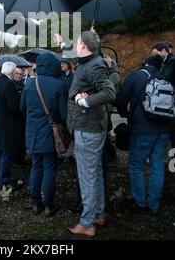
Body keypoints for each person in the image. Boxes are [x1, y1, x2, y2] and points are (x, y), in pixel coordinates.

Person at [67, 30, 116, 237]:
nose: (76, 45)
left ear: (84, 46)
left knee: (87, 177)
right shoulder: (90, 62)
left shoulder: (94, 64)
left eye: (78, 42)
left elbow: (109, 91)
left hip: (88, 129)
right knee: (94, 174)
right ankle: (97, 214)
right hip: (91, 126)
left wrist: (84, 101)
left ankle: (87, 223)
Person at [116, 55, 170, 214]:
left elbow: (120, 99)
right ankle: (154, 205)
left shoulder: (136, 76)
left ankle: (140, 203)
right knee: (157, 166)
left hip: (142, 130)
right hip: (164, 130)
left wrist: (125, 114)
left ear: (145, 63)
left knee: (137, 166)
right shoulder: (167, 79)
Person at [21, 52, 68, 217]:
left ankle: (35, 203)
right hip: (50, 134)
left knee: (36, 167)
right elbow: (64, 115)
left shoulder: (29, 84)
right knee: (49, 167)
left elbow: (23, 109)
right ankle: (49, 205)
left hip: (32, 134)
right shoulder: (59, 85)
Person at [0, 62, 25, 191]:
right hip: (8, 126)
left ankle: (0, 179)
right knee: (7, 153)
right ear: (11, 72)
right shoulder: (8, 84)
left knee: (1, 154)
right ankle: (5, 181)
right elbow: (15, 108)